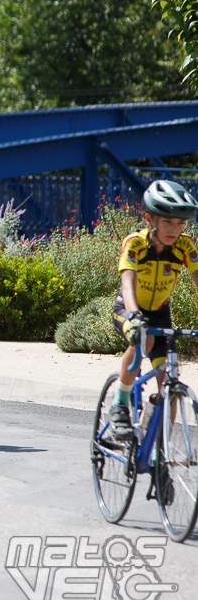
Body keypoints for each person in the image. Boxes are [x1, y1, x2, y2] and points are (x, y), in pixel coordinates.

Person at [108, 181, 198, 457]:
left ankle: (161, 452)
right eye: (168, 221)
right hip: (129, 308)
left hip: (160, 312)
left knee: (169, 381)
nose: (175, 229)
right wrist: (134, 315)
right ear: (149, 219)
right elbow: (127, 283)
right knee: (142, 338)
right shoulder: (135, 243)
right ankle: (120, 404)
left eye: (180, 223)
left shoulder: (184, 247)